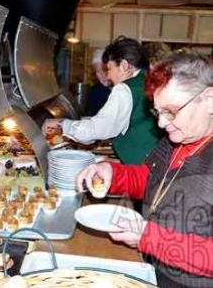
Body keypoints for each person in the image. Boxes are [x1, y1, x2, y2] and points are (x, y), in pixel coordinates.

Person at [76, 53, 213, 288]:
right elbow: (151, 180)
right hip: (152, 271)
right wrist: (112, 173)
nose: (161, 123)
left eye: (171, 111)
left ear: (209, 99)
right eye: (158, 112)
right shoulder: (175, 141)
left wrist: (148, 237)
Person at [42, 36, 162, 164]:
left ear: (124, 66)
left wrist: (61, 124)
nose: (108, 76)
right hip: (156, 159)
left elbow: (97, 130)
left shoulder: (124, 89)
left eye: (110, 69)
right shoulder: (149, 80)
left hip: (138, 164)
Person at [86, 48, 112, 116]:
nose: (102, 75)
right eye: (98, 71)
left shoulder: (122, 88)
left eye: (105, 70)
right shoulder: (94, 92)